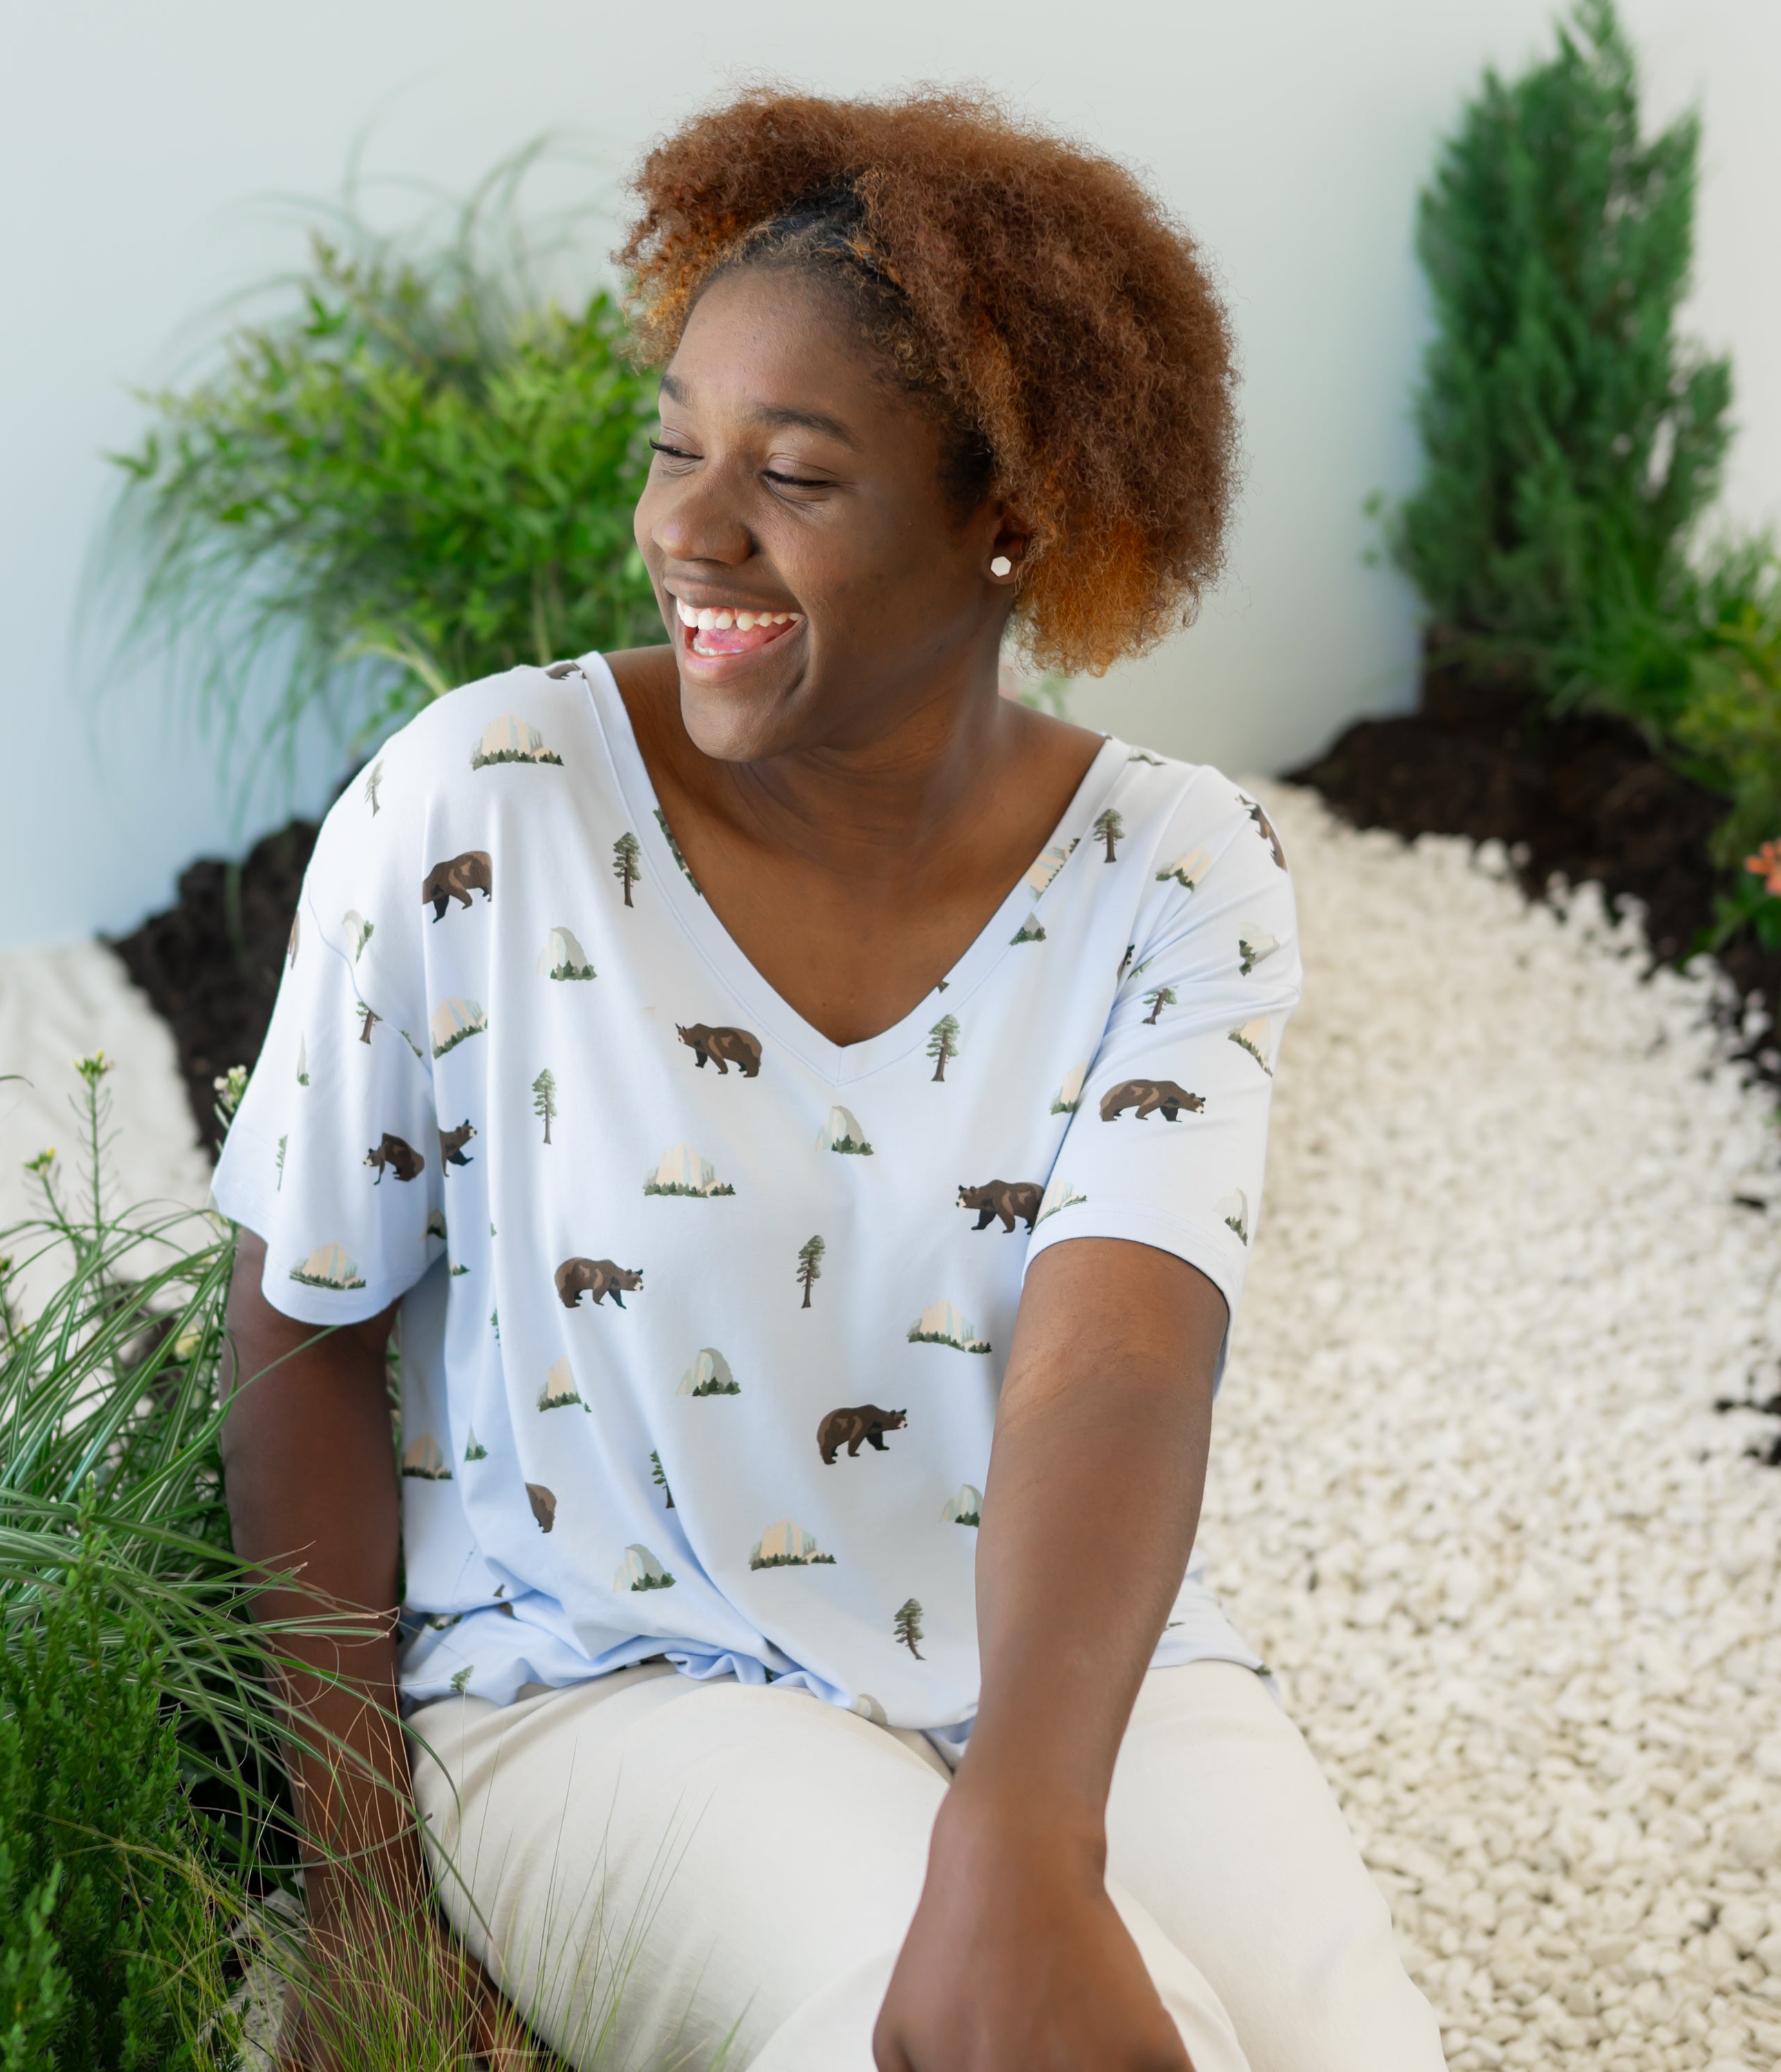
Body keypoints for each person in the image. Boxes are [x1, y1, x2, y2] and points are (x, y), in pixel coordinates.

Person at [214, 87, 1445, 2072]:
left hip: (1064, 1667)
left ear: (1006, 517)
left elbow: (1123, 1355)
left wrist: (1031, 1827)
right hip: (607, 1683)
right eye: (676, 447)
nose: (689, 531)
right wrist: (357, 1895)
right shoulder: (486, 806)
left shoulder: (1174, 870)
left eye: (792, 472)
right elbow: (300, 1320)